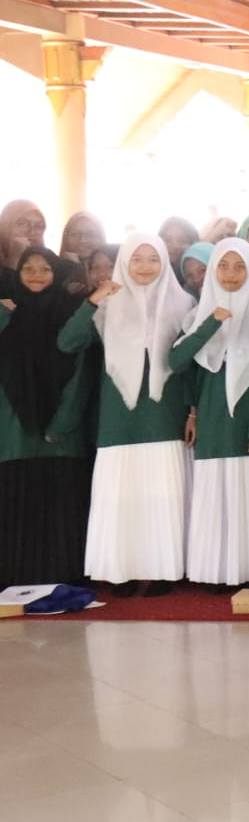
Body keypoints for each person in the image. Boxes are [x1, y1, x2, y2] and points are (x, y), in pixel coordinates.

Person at [59, 232, 194, 597]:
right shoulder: (109, 305)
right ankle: (123, 570)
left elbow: (191, 366)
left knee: (162, 496)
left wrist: (192, 411)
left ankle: (163, 570)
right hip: (118, 420)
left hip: (164, 417)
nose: (145, 267)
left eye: (153, 259)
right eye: (136, 258)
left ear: (164, 263)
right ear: (124, 263)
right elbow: (67, 342)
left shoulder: (183, 303)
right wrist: (94, 301)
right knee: (121, 498)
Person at [170, 239, 249, 589]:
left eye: (239, 267)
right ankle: (216, 572)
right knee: (217, 498)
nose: (231, 274)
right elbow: (178, 363)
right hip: (213, 421)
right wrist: (211, 323)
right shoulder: (197, 316)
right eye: (223, 266)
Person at [0, 247, 93, 586]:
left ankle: (62, 574)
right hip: (15, 434)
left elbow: (81, 373)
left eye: (44, 269)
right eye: (28, 268)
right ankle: (15, 577)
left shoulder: (69, 314)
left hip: (61, 435)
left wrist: (63, 423)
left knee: (59, 505)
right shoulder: (8, 315)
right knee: (19, 503)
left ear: (56, 273)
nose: (36, 275)